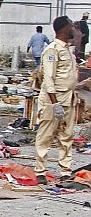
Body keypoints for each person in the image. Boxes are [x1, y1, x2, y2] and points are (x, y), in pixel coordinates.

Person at [34, 16, 79, 184]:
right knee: (45, 136)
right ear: (64, 29)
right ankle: (40, 171)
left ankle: (66, 171)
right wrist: (55, 103)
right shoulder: (52, 50)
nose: (74, 29)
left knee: (66, 136)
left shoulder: (68, 49)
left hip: (68, 100)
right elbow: (48, 78)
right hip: (54, 101)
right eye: (71, 26)